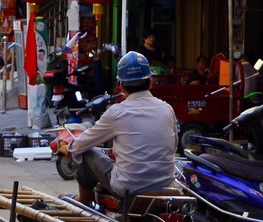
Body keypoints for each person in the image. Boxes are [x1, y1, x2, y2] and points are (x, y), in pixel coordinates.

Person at [56, 52, 177, 206]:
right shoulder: (167, 109)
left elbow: (85, 142)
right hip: (166, 184)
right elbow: (172, 146)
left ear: (121, 85)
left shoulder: (117, 112)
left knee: (87, 154)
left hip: (129, 187)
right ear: (150, 81)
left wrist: (69, 149)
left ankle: (84, 204)